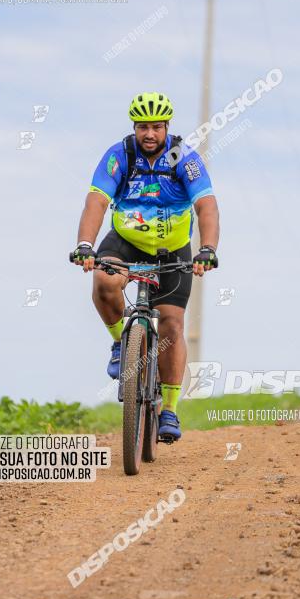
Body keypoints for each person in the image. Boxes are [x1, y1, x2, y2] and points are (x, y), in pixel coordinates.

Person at [74, 92, 219, 441]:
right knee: (104, 282)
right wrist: (84, 244)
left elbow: (207, 207)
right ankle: (120, 345)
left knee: (171, 324)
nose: (149, 134)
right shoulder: (120, 155)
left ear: (167, 126)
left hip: (173, 250)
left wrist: (207, 249)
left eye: (156, 126)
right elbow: (97, 201)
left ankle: (169, 409)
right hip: (126, 240)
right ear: (134, 127)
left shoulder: (184, 159)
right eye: (142, 127)